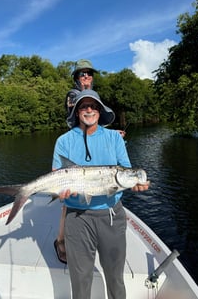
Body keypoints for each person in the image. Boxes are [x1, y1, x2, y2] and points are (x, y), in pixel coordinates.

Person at [52, 89, 149, 299]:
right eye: (84, 106)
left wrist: (135, 183)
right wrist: (60, 190)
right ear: (77, 112)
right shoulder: (63, 141)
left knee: (115, 278)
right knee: (80, 281)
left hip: (111, 216)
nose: (89, 110)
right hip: (77, 218)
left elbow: (126, 170)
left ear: (100, 111)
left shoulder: (114, 138)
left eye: (94, 106)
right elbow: (56, 174)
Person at [54, 60, 125, 264]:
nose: (86, 77)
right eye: (82, 74)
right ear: (76, 77)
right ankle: (61, 240)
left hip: (94, 139)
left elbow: (97, 120)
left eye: (89, 74)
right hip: (76, 141)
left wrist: (113, 134)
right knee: (68, 201)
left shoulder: (94, 94)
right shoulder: (72, 94)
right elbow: (79, 114)